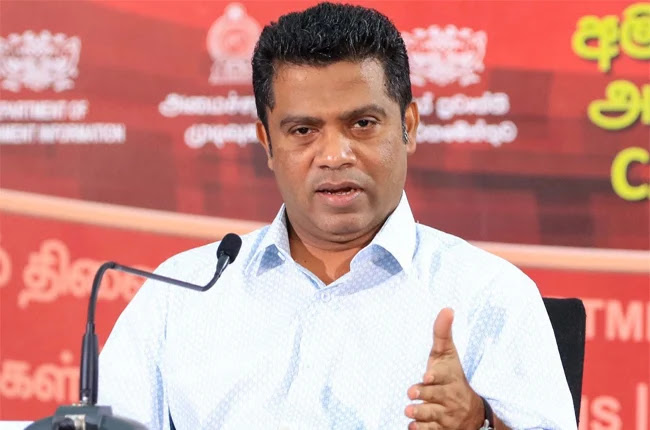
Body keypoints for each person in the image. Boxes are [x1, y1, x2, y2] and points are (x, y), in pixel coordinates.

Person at [98, 3, 577, 429]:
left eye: (362, 124)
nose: (334, 156)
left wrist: (479, 422)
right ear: (267, 143)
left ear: (408, 127)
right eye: (303, 130)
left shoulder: (489, 294)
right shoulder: (181, 293)